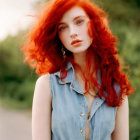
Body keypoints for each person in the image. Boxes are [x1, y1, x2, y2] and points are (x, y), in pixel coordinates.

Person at [22, 0, 135, 139]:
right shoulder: (47, 86)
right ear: (58, 36)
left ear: (95, 24)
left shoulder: (117, 88)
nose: (72, 33)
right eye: (62, 28)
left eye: (79, 22)